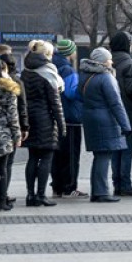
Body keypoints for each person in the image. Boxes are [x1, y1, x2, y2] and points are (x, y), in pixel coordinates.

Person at [78, 48, 131, 203]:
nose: (112, 62)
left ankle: (97, 190)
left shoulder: (86, 76)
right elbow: (116, 103)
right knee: (104, 156)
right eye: (109, 59)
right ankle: (101, 192)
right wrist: (125, 125)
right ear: (102, 61)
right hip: (105, 120)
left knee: (99, 155)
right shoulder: (106, 77)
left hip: (90, 118)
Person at [21, 40, 66, 207]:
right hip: (45, 119)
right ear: (47, 54)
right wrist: (62, 125)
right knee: (46, 157)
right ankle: (41, 195)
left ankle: (30, 195)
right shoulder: (48, 73)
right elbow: (55, 103)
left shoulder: (26, 71)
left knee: (32, 157)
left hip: (30, 118)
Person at [107, 32, 132, 196]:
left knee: (115, 151)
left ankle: (116, 183)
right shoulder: (130, 64)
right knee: (128, 151)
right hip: (129, 113)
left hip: (111, 113)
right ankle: (125, 183)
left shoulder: (107, 62)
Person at [51, 39, 85, 198]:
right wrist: (83, 92)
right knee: (71, 154)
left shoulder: (52, 66)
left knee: (57, 154)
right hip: (70, 116)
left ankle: (57, 186)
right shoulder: (68, 70)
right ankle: (69, 186)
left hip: (56, 116)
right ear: (69, 52)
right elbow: (72, 93)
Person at [0, 46, 27, 208]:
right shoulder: (9, 89)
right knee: (2, 168)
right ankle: (1, 200)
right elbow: (12, 116)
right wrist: (17, 136)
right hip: (2, 134)